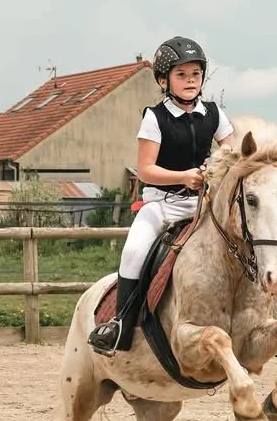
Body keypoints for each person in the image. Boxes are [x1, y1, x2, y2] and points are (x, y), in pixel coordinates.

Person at [88, 36, 235, 356]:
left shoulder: (214, 113)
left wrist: (219, 170)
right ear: (163, 80)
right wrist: (184, 177)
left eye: (195, 74)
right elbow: (145, 170)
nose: (190, 81)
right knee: (133, 252)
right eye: (182, 75)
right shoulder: (155, 118)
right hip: (162, 205)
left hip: (203, 206)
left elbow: (233, 154)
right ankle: (120, 325)